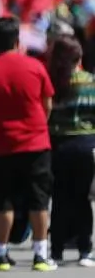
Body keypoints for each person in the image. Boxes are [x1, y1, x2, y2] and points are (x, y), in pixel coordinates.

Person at [0, 17, 59, 272]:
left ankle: (0, 253)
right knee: (38, 200)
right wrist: (37, 126)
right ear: (18, 40)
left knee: (2, 200)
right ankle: (41, 254)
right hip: (36, 144)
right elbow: (47, 103)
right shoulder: (35, 66)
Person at [45, 36, 95, 266]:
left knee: (60, 198)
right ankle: (85, 249)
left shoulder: (53, 82)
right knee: (83, 198)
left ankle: (56, 251)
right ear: (79, 57)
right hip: (85, 144)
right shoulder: (90, 82)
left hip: (57, 145)